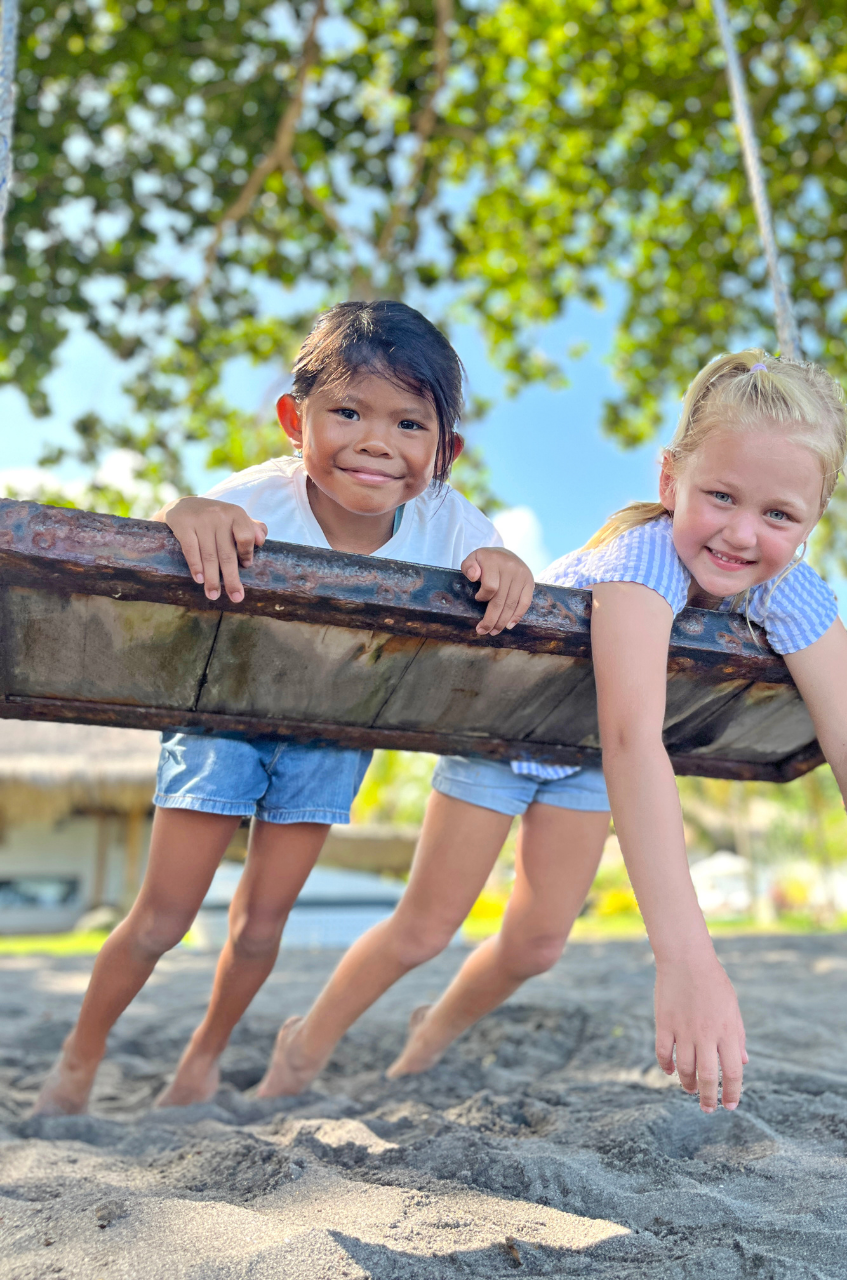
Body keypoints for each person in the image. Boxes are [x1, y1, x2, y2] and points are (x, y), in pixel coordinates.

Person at [256, 350, 847, 1114]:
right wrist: (687, 960)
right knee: (425, 930)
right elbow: (636, 741)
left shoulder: (789, 588)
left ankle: (432, 1030)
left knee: (535, 946)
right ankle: (305, 1044)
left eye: (779, 515)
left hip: (584, 760)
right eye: (719, 496)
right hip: (510, 734)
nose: (741, 533)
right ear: (669, 482)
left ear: (811, 522)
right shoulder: (640, 562)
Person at [32, 300, 534, 1116]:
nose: (376, 441)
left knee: (262, 926)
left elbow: (501, 564)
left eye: (410, 424)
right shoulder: (266, 494)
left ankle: (203, 1057)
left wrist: (502, 565)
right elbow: (185, 520)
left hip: (332, 734)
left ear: (446, 452)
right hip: (226, 715)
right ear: (294, 421)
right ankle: (79, 1059)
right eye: (347, 412)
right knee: (161, 919)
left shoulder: (447, 519)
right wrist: (190, 514)